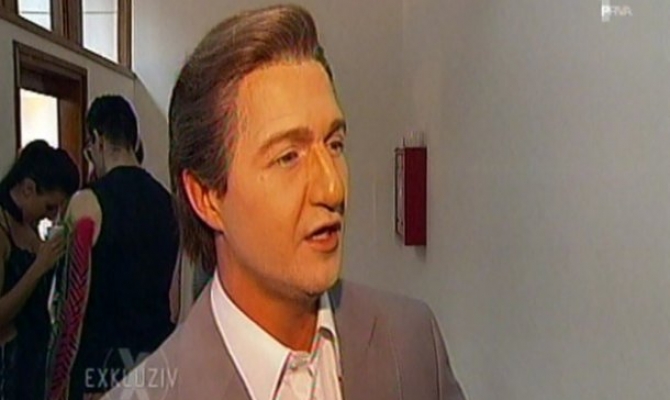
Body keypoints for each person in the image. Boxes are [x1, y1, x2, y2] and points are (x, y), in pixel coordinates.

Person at [104, 5, 466, 400]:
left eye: (335, 144)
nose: (332, 188)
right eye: (288, 157)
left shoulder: (413, 343)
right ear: (207, 197)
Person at [46, 95, 180, 400]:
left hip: (100, 369)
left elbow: (71, 310)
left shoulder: (87, 203)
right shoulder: (170, 205)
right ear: (135, 140)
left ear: (97, 139)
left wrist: (56, 386)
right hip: (156, 362)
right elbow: (173, 299)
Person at [0, 140, 79, 400]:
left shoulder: (29, 225)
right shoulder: (3, 229)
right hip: (9, 370)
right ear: (28, 189)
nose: (51, 216)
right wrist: (39, 267)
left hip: (36, 364)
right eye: (49, 207)